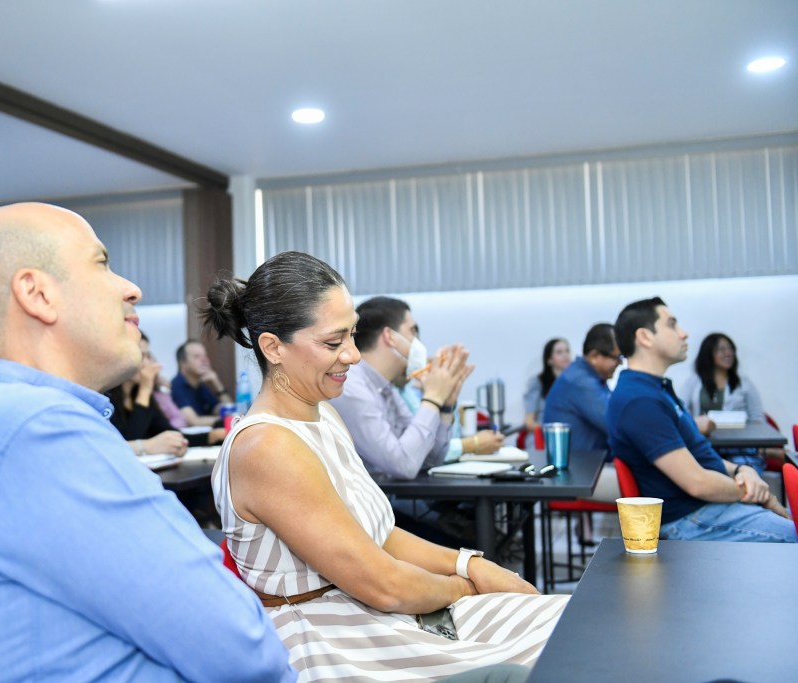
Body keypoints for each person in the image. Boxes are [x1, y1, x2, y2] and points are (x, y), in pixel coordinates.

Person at [0, 203, 294, 682]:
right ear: (37, 294)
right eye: (102, 264)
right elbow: (244, 651)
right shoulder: (38, 432)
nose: (132, 288)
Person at [204, 251, 567, 682]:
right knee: (558, 652)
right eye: (333, 343)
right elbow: (385, 585)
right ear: (273, 348)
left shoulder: (323, 416)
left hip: (375, 619)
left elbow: (382, 536)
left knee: (566, 623)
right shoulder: (266, 446)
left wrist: (470, 564)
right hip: (333, 642)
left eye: (353, 335)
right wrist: (464, 587)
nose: (353, 355)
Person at [607, 297, 794, 543]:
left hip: (708, 509)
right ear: (645, 337)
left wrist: (741, 469)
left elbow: (698, 455)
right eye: (672, 324)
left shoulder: (655, 390)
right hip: (692, 518)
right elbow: (697, 483)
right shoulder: (639, 400)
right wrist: (757, 492)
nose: (683, 333)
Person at [330, 296, 499, 480]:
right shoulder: (352, 387)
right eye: (413, 332)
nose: (419, 343)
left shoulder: (387, 388)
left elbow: (429, 459)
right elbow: (403, 466)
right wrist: (433, 397)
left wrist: (445, 406)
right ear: (390, 336)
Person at [105, 333, 224, 456]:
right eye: (142, 355)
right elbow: (129, 440)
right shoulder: (107, 397)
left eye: (148, 356)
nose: (149, 363)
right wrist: (146, 388)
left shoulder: (140, 394)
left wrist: (213, 436)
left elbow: (168, 432)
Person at [542, 324, 621, 503]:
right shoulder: (581, 382)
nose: (619, 363)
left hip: (587, 467)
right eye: (616, 357)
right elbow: (616, 425)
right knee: (651, 485)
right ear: (594, 356)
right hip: (577, 474)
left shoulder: (587, 377)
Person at [682, 332, 784, 470]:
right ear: (708, 353)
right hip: (705, 444)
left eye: (730, 349)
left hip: (740, 445)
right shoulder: (693, 383)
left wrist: (757, 442)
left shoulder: (744, 383)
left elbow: (757, 418)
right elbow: (681, 414)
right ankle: (765, 452)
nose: (728, 353)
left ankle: (758, 452)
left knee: (745, 469)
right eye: (721, 349)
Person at [171, 338, 231, 426]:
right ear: (182, 363)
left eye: (205, 356)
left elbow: (227, 410)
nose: (204, 360)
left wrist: (216, 382)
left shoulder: (201, 386)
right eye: (197, 356)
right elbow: (194, 421)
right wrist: (229, 419)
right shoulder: (176, 386)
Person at [523, 337, 572, 432]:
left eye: (567, 351)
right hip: (544, 436)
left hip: (567, 435)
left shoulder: (573, 383)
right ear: (549, 360)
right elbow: (529, 422)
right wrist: (553, 432)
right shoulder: (538, 382)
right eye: (559, 352)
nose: (565, 355)